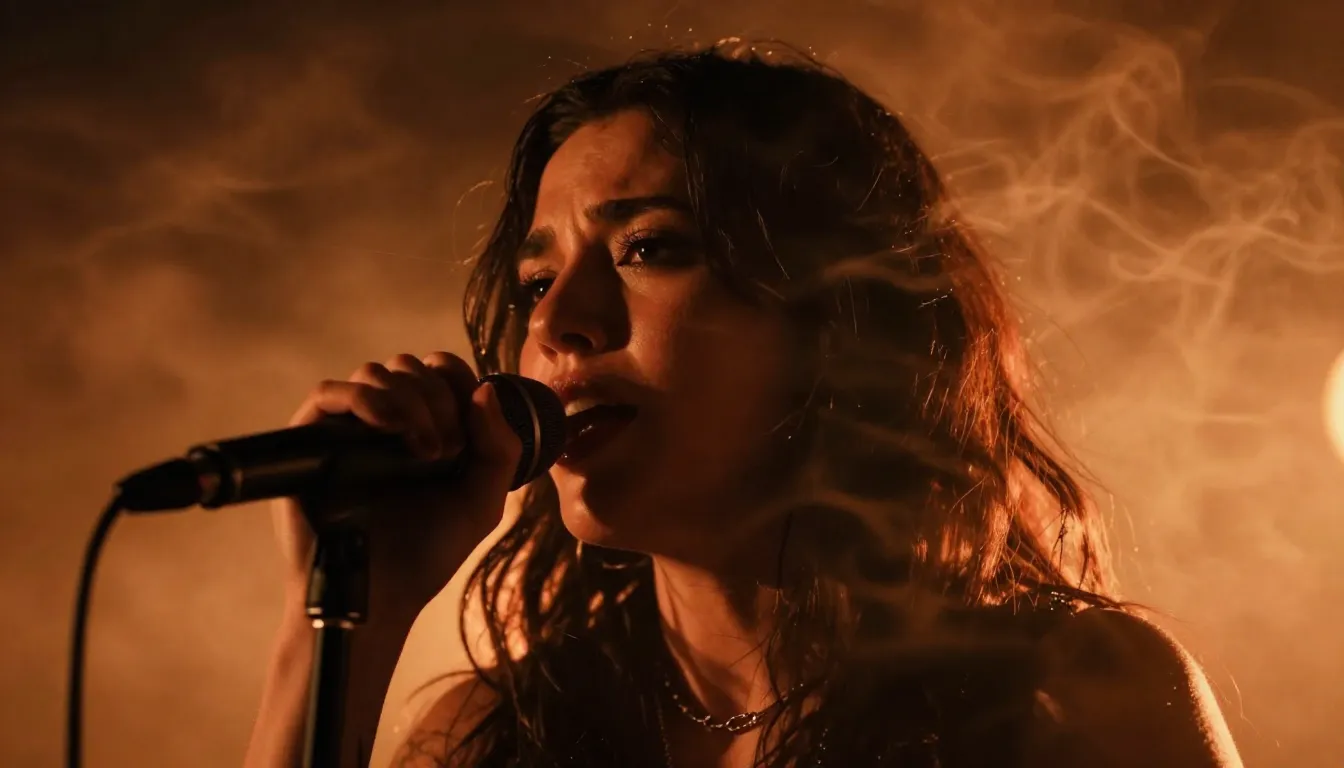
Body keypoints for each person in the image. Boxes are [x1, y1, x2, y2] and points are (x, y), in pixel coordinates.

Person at [243, 43, 1243, 768]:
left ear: (836, 316)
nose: (559, 323)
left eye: (649, 248)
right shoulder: (493, 735)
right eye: (535, 282)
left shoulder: (1068, 697)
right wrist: (348, 620)